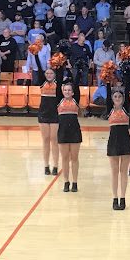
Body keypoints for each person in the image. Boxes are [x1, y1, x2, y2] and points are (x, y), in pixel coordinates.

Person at [105, 80, 130, 210]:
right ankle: (114, 198)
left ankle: (123, 198)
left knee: (123, 172)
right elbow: (107, 94)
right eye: (115, 96)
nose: (117, 98)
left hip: (125, 141)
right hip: (113, 142)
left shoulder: (126, 109)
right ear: (111, 99)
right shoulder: (109, 110)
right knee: (114, 172)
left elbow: (127, 92)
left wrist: (126, 75)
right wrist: (107, 81)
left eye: (119, 97)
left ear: (123, 99)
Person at [56, 64, 82, 193]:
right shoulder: (58, 100)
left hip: (75, 131)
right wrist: (61, 68)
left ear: (72, 92)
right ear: (62, 91)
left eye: (69, 90)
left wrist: (72, 72)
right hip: (63, 132)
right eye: (65, 90)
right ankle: (66, 181)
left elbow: (76, 85)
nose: (67, 92)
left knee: (74, 158)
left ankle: (75, 182)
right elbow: (58, 82)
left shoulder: (76, 100)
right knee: (65, 158)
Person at [38, 69, 60, 176]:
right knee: (45, 139)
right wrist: (36, 54)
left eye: (51, 73)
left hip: (55, 114)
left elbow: (60, 71)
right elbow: (38, 67)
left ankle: (55, 165)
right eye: (47, 73)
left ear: (55, 74)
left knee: (54, 139)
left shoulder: (58, 83)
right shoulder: (42, 83)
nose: (49, 75)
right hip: (43, 114)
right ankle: (46, 165)